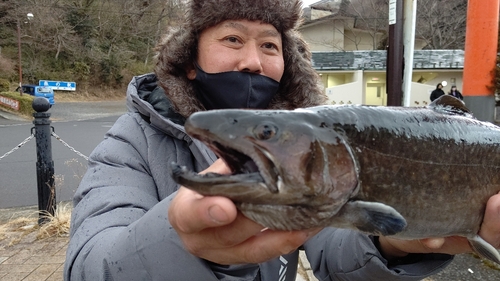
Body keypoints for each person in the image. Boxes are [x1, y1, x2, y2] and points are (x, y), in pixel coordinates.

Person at [64, 0, 500, 280]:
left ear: (285, 65)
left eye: (270, 47)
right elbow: (88, 269)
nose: (252, 61)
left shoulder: (312, 143)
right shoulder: (130, 141)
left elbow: (334, 256)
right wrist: (188, 243)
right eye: (232, 39)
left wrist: (393, 245)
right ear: (190, 61)